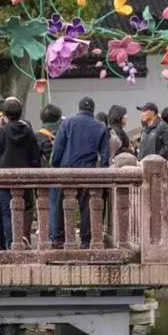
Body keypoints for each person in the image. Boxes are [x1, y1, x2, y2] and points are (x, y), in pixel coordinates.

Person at [52, 96, 110, 248]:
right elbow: (105, 156)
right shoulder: (101, 127)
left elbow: (58, 147)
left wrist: (55, 165)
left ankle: (59, 238)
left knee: (62, 205)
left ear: (79, 109)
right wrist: (103, 174)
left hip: (67, 170)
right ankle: (85, 241)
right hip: (88, 170)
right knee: (86, 207)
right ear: (93, 110)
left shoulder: (67, 123)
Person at [0, 98, 41, 249]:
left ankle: (13, 242)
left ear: (4, 115)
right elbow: (35, 155)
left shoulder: (1, 132)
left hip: (4, 178)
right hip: (24, 178)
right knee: (24, 209)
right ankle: (22, 238)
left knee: (7, 212)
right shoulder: (29, 132)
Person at [35, 104, 62, 243]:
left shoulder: (38, 135)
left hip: (44, 174)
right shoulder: (63, 131)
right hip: (64, 172)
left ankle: (52, 233)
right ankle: (59, 233)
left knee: (49, 205)